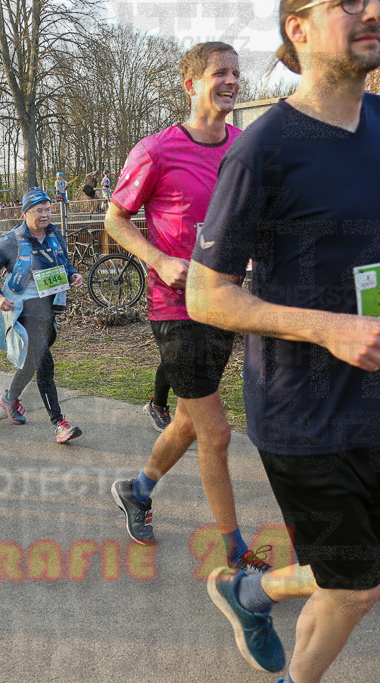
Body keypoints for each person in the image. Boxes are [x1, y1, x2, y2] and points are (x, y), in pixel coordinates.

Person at [187, 2, 380, 679]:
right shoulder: (263, 149)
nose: (375, 10)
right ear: (297, 29)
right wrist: (327, 327)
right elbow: (205, 293)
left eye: (378, 0)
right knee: (355, 586)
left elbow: (372, 229)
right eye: (348, 1)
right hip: (303, 406)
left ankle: (247, 590)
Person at [104, 43, 270, 581]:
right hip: (174, 306)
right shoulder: (155, 150)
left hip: (226, 301)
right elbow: (115, 219)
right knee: (217, 431)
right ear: (191, 84)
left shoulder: (245, 148)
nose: (231, 81)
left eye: (236, 73)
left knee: (189, 420)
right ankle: (236, 553)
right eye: (220, 73)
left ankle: (137, 489)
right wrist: (158, 259)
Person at [0, 188, 83, 443]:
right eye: (39, 210)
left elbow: (65, 262)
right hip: (23, 311)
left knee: (34, 360)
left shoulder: (54, 234)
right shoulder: (11, 240)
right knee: (45, 364)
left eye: (48, 209)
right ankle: (59, 423)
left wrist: (73, 274)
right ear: (25, 212)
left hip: (49, 308)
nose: (45, 215)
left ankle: (10, 398)